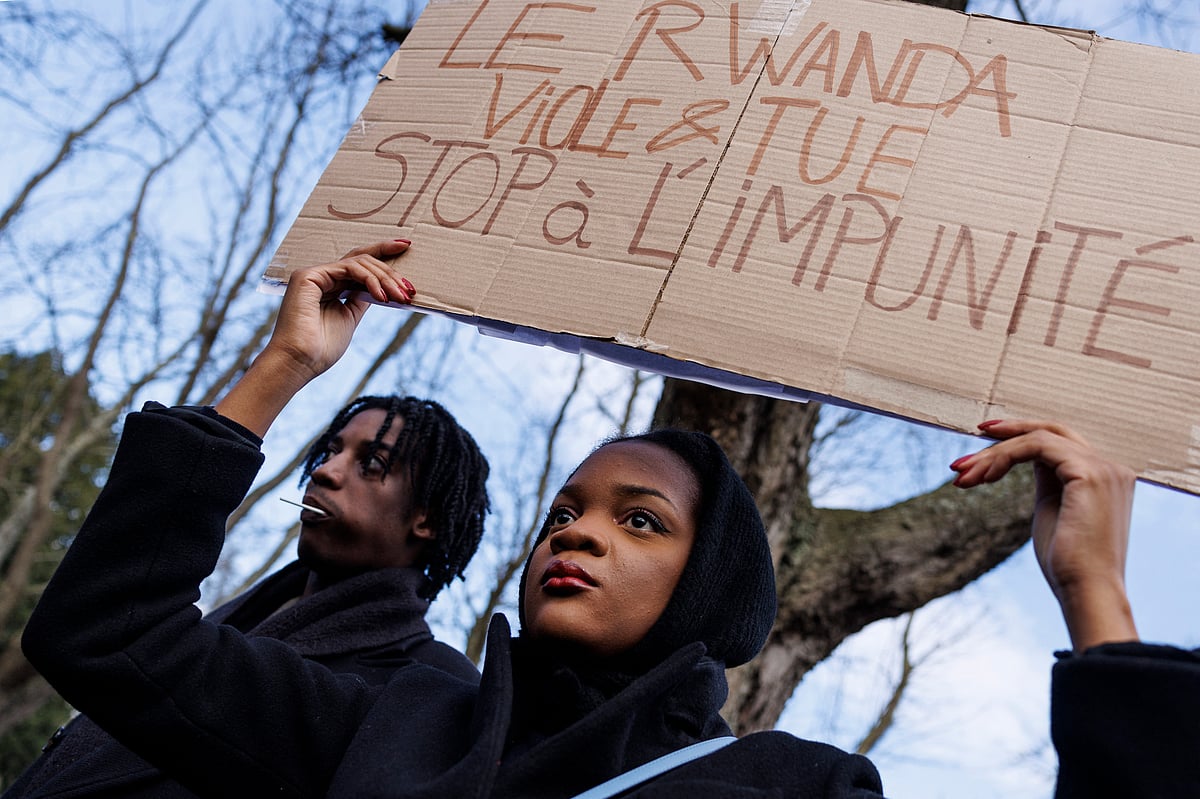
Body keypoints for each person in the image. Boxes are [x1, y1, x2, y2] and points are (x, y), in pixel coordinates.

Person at [19, 240, 1200, 798]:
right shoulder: (393, 714)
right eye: (567, 510)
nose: (575, 534)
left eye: (641, 521)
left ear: (709, 584)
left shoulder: (789, 788)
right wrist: (281, 369)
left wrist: (1093, 594)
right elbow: (105, 632)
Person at [6, 240, 491, 798]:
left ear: (428, 520)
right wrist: (289, 357)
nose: (327, 471)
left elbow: (107, 628)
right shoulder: (239, 619)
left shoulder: (428, 692)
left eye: (372, 463)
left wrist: (287, 362)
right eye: (330, 450)